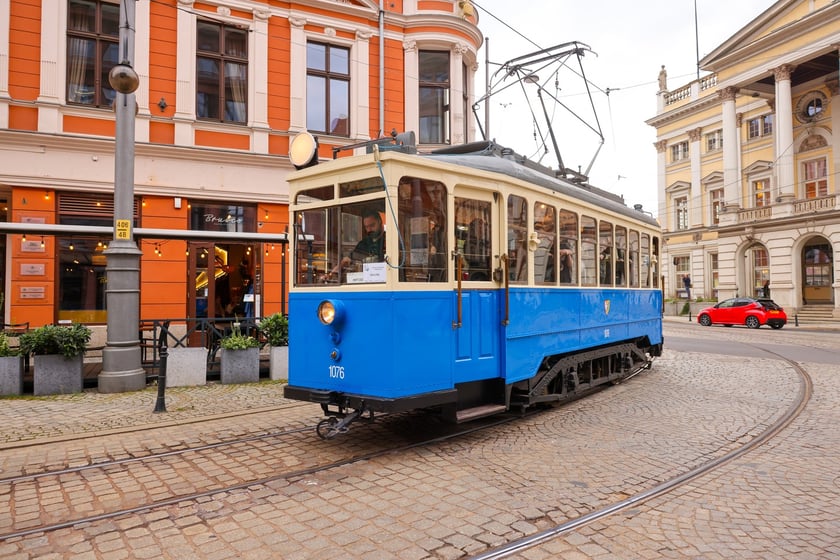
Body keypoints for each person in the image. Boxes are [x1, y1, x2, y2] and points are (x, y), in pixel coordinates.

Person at [327, 210, 385, 279]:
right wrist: (330, 275)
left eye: (372, 225)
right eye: (366, 227)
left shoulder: (389, 240)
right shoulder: (364, 243)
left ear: (380, 222)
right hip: (367, 279)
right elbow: (347, 260)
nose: (369, 230)